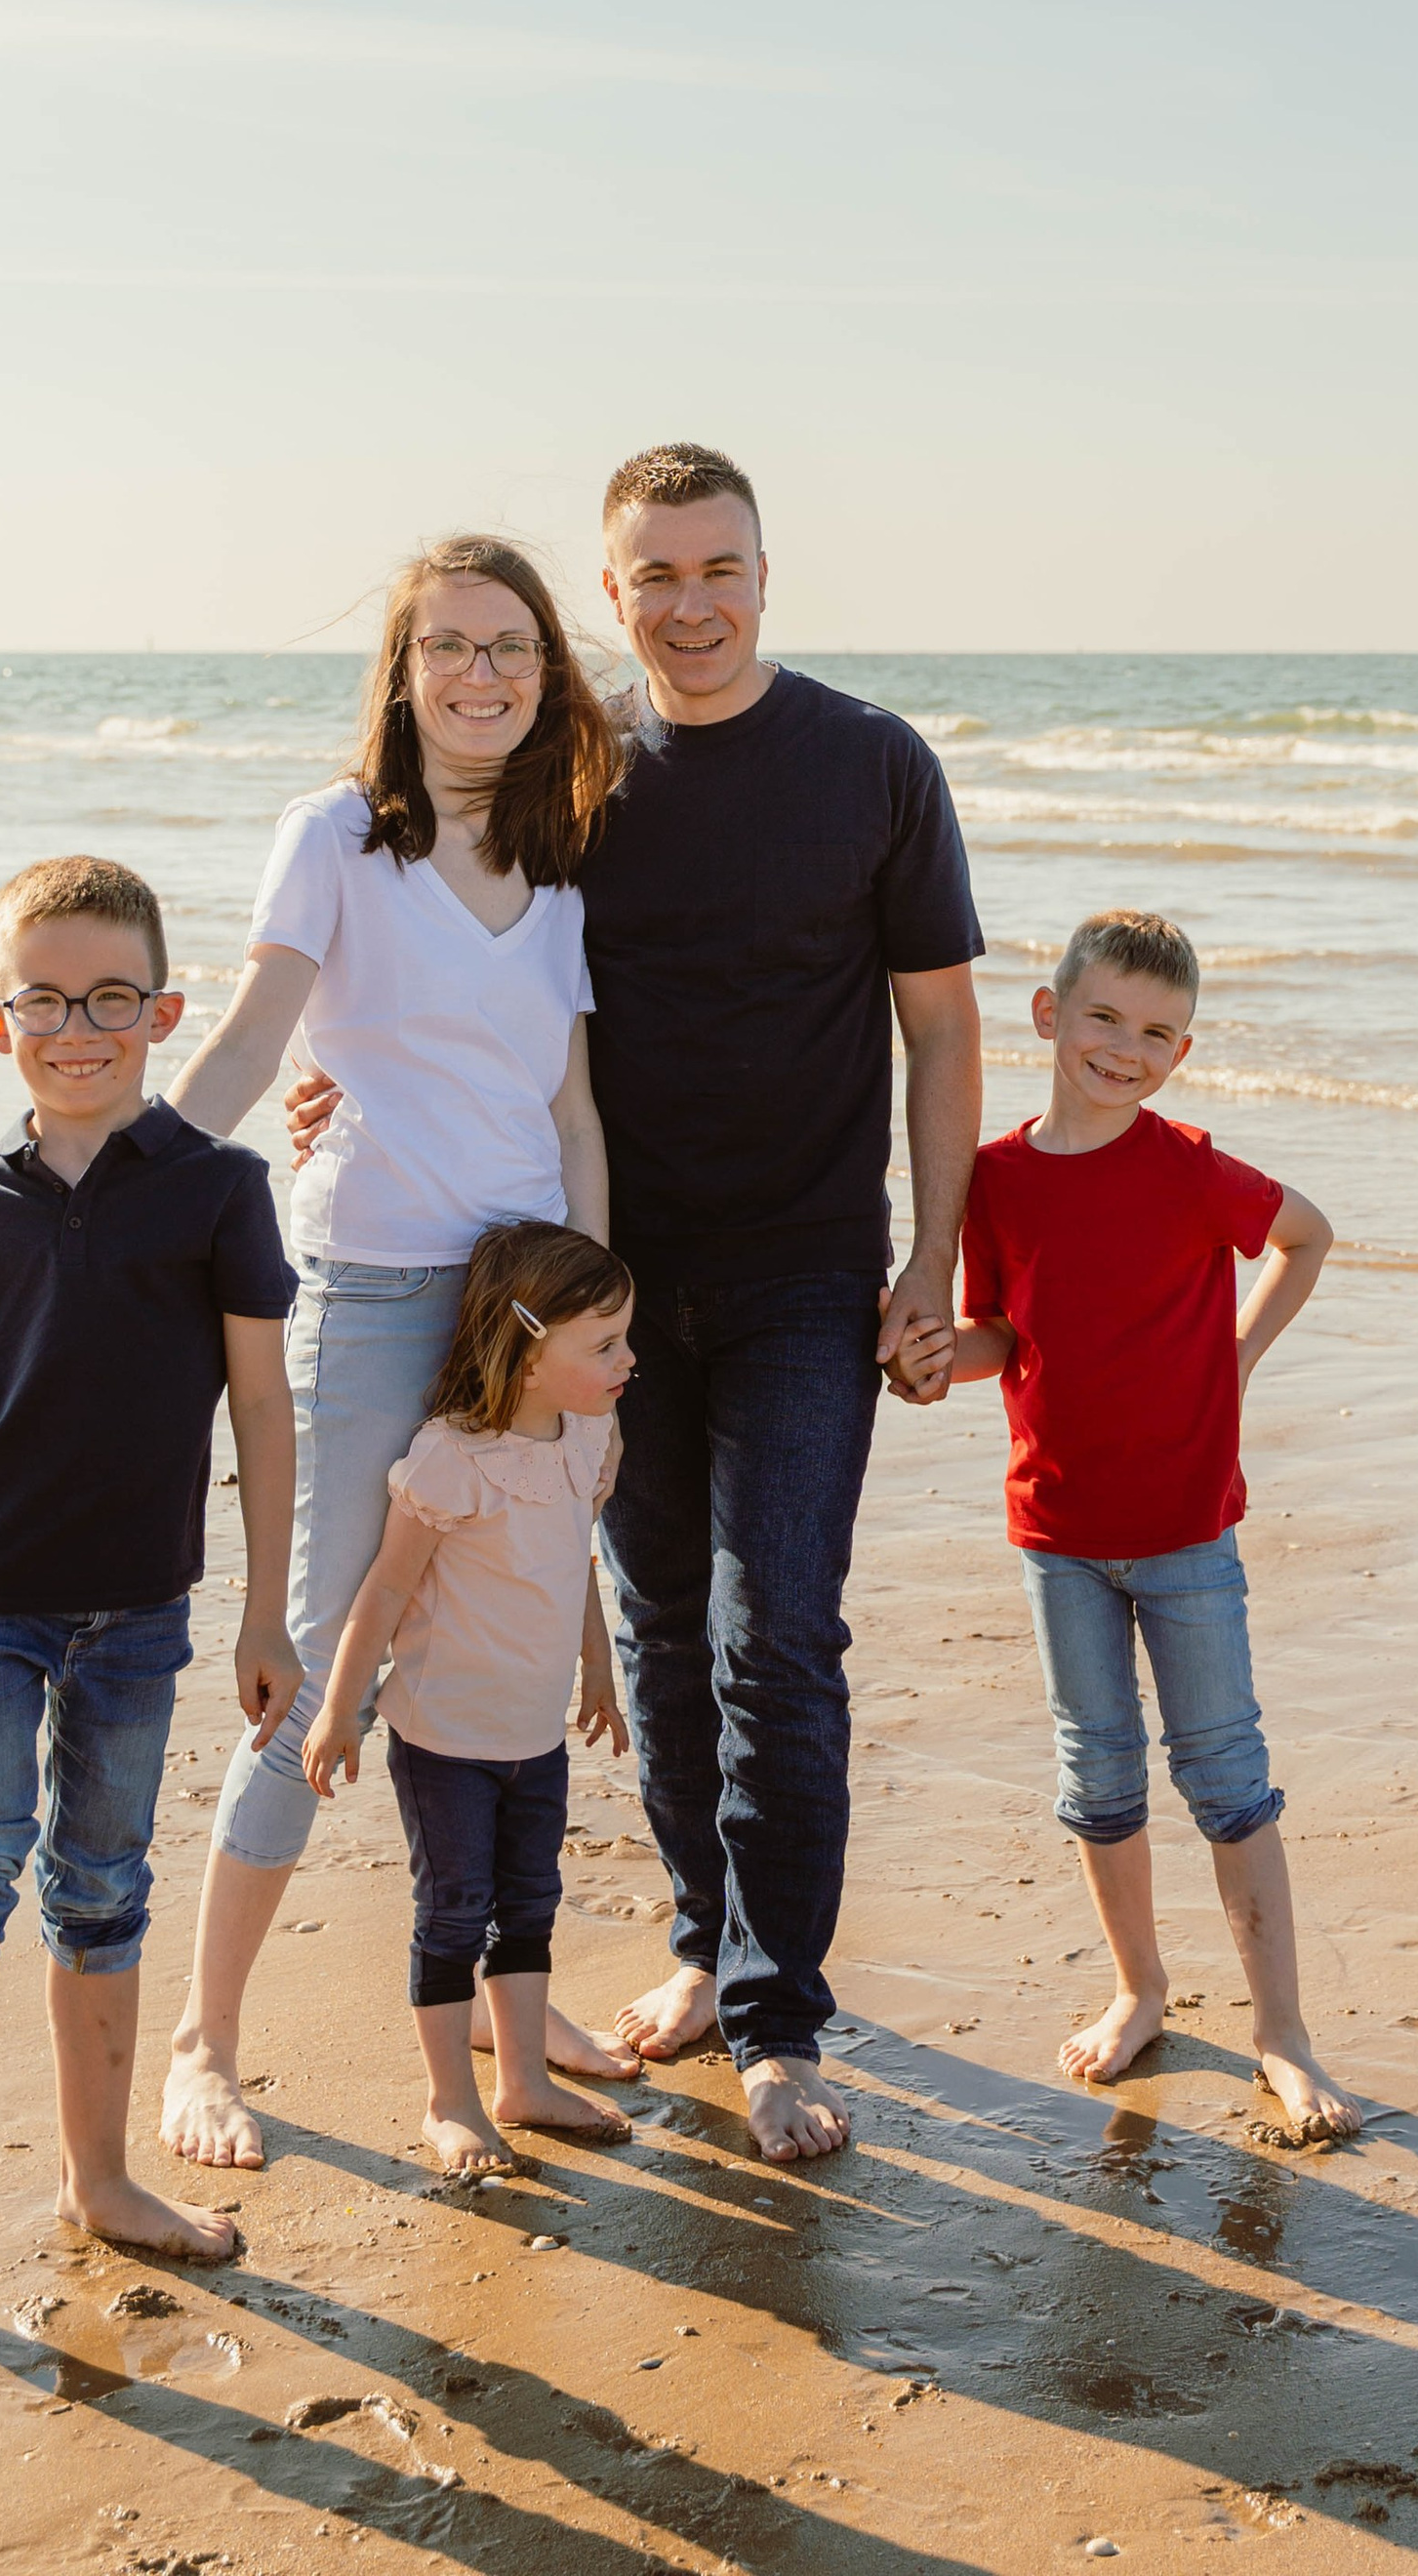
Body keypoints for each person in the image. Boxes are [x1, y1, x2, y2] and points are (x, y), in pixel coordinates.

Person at [155, 536, 628, 2174]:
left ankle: (513, 2008)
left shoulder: (561, 866)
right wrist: (112, 1193)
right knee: (314, 1657)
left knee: (500, 1641)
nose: (480, 675)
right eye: (449, 647)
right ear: (403, 668)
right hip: (368, 1285)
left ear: (544, 669)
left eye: (511, 648)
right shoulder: (339, 839)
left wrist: (595, 1309)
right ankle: (204, 2046)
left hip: (520, 1305)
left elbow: (564, 1110)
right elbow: (254, 1036)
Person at [0, 856, 301, 2369]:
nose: (77, 1027)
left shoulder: (219, 1192)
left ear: (164, 1013)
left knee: (102, 1890)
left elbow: (264, 1412)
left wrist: (266, 1618)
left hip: (137, 1617)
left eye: (109, 999)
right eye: (45, 999)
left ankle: (100, 2180)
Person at [574, 443, 987, 2162]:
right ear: (612, 593)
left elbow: (944, 1030)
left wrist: (931, 1262)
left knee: (777, 1639)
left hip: (809, 1277)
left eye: (718, 568)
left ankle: (779, 2019)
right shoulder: (569, 770)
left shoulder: (872, 764)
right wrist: (330, 1089)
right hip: (609, 1286)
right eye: (655, 576)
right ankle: (704, 1943)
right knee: (665, 1629)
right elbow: (446, 972)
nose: (690, 605)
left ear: (766, 573)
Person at [931, 907, 1357, 2143]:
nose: (1124, 1048)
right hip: (1056, 1529)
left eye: (1156, 1034)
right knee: (1097, 1770)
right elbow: (998, 1332)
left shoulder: (1185, 1166)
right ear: (1048, 1014)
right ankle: (1139, 1990)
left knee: (1224, 1771)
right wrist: (928, 1361)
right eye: (1104, 1019)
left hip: (1182, 1529)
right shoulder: (996, 1181)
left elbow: (1304, 1234)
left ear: (1182, 1053)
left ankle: (1280, 2035)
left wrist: (1235, 1355)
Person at [302, 1219, 637, 2175]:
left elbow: (571, 1561)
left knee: (528, 1902)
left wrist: (599, 1671)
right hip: (445, 1737)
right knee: (454, 1911)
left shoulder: (586, 1439)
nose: (627, 1359)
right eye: (604, 1343)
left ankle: (521, 2081)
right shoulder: (453, 1456)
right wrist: (339, 1708)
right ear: (530, 1354)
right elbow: (387, 1587)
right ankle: (448, 2103)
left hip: (536, 1734)